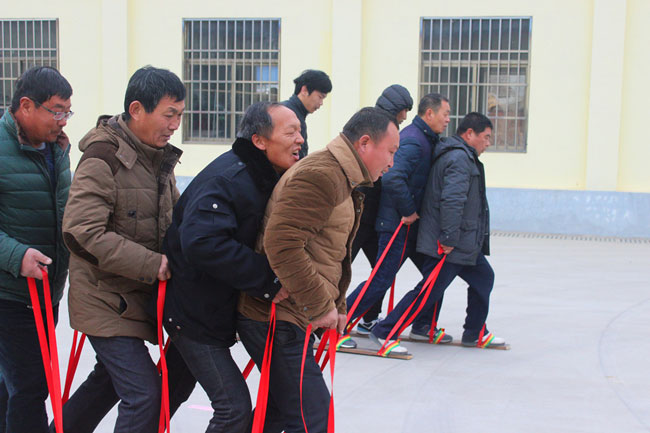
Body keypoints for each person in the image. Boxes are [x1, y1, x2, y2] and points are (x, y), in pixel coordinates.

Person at [238, 107, 399, 432]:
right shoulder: (322, 175)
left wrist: (337, 307)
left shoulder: (341, 176)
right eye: (391, 151)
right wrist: (320, 306)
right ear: (365, 143)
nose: (392, 163)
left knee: (278, 415)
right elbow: (282, 244)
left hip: (293, 313)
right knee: (313, 420)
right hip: (276, 317)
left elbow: (329, 254)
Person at [60, 66, 195, 433]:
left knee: (107, 383)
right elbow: (82, 231)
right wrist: (154, 264)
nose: (175, 125)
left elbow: (174, 219)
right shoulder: (103, 157)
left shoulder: (157, 157)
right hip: (104, 297)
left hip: (138, 297)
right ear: (137, 109)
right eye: (169, 115)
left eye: (180, 115)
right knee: (144, 394)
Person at [162, 102, 302, 432]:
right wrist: (268, 279)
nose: (300, 139)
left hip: (214, 309)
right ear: (259, 141)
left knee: (165, 396)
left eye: (300, 131)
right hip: (193, 313)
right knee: (233, 408)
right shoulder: (230, 178)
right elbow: (202, 242)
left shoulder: (263, 174)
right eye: (290, 132)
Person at [370, 112, 506, 349]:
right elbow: (452, 200)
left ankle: (474, 332)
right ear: (470, 134)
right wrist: (448, 238)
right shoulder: (459, 159)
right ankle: (385, 330)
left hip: (465, 243)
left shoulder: (464, 157)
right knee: (427, 291)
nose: (488, 143)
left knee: (484, 277)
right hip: (450, 243)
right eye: (485, 137)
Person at [344, 93, 451, 352]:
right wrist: (408, 210)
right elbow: (393, 177)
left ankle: (423, 325)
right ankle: (338, 323)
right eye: (445, 114)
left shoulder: (425, 138)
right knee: (381, 279)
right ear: (429, 114)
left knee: (434, 276)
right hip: (397, 224)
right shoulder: (414, 140)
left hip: (411, 227)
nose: (448, 119)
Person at [0, 66, 73, 433]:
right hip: (10, 294)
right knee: (31, 387)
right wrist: (18, 256)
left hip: (47, 290)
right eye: (56, 111)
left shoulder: (58, 148)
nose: (63, 121)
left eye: (67, 112)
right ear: (26, 106)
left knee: (11, 384)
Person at [350, 84, 413, 338]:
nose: (405, 117)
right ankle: (323, 323)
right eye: (403, 111)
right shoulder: (374, 126)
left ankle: (369, 318)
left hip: (374, 217)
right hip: (357, 215)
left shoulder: (387, 129)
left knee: (381, 271)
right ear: (395, 109)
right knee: (338, 269)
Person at [281, 69, 332, 158]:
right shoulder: (287, 114)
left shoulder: (295, 112)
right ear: (304, 90)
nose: (321, 103)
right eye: (320, 97)